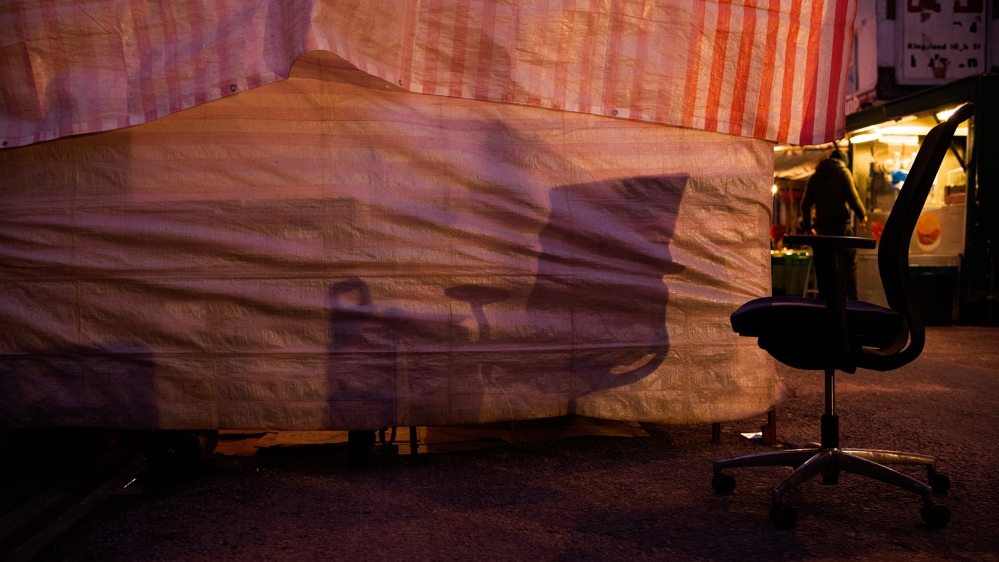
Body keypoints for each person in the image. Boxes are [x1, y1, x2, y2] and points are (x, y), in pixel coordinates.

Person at [800, 149, 868, 300]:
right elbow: (852, 197)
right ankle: (853, 302)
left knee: (826, 267)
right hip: (841, 228)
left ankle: (827, 302)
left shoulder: (814, 178)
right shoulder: (843, 173)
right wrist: (862, 214)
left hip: (823, 231)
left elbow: (805, 205)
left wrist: (808, 228)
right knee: (849, 266)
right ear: (843, 161)